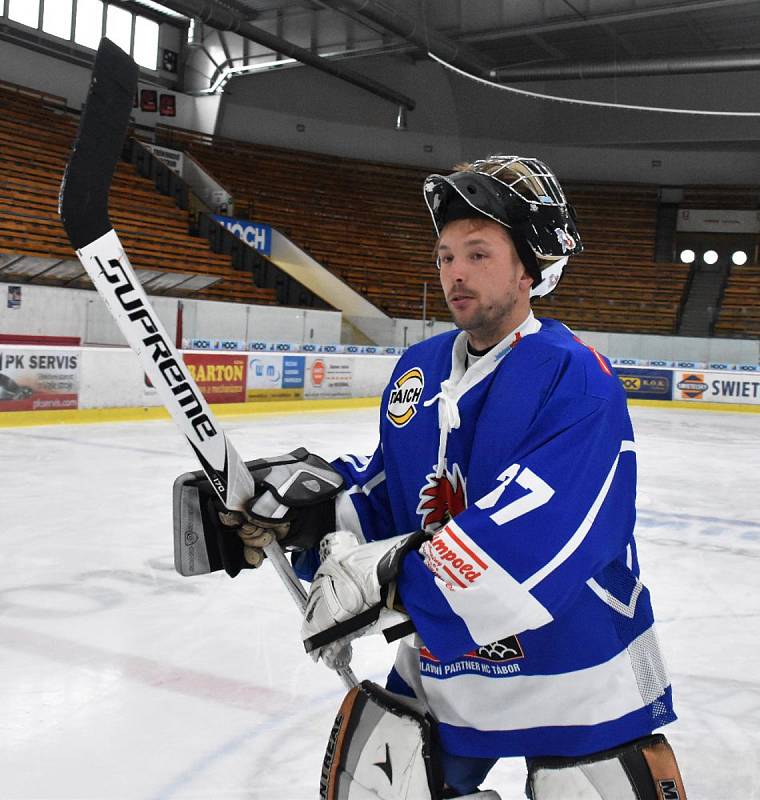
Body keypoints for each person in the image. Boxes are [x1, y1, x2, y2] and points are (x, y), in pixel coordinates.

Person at [178, 156, 686, 799]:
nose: (455, 274)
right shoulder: (420, 371)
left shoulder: (576, 378)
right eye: (445, 257)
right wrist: (301, 515)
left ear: (529, 269)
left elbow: (536, 537)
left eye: (478, 254)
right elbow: (392, 497)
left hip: (579, 670)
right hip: (448, 665)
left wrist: (389, 579)